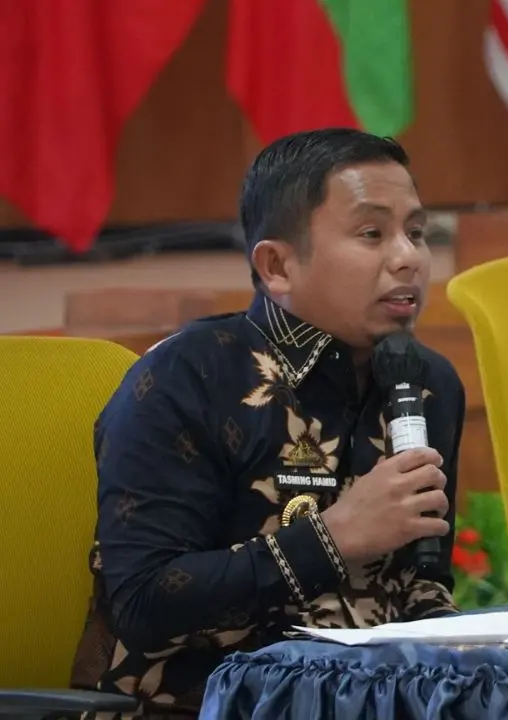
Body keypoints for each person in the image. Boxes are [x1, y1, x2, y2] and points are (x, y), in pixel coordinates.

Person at [70, 128, 466, 715]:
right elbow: (146, 603)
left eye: (415, 232)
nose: (407, 256)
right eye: (371, 234)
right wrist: (331, 539)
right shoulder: (188, 377)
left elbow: (420, 583)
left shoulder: (428, 384)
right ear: (277, 265)